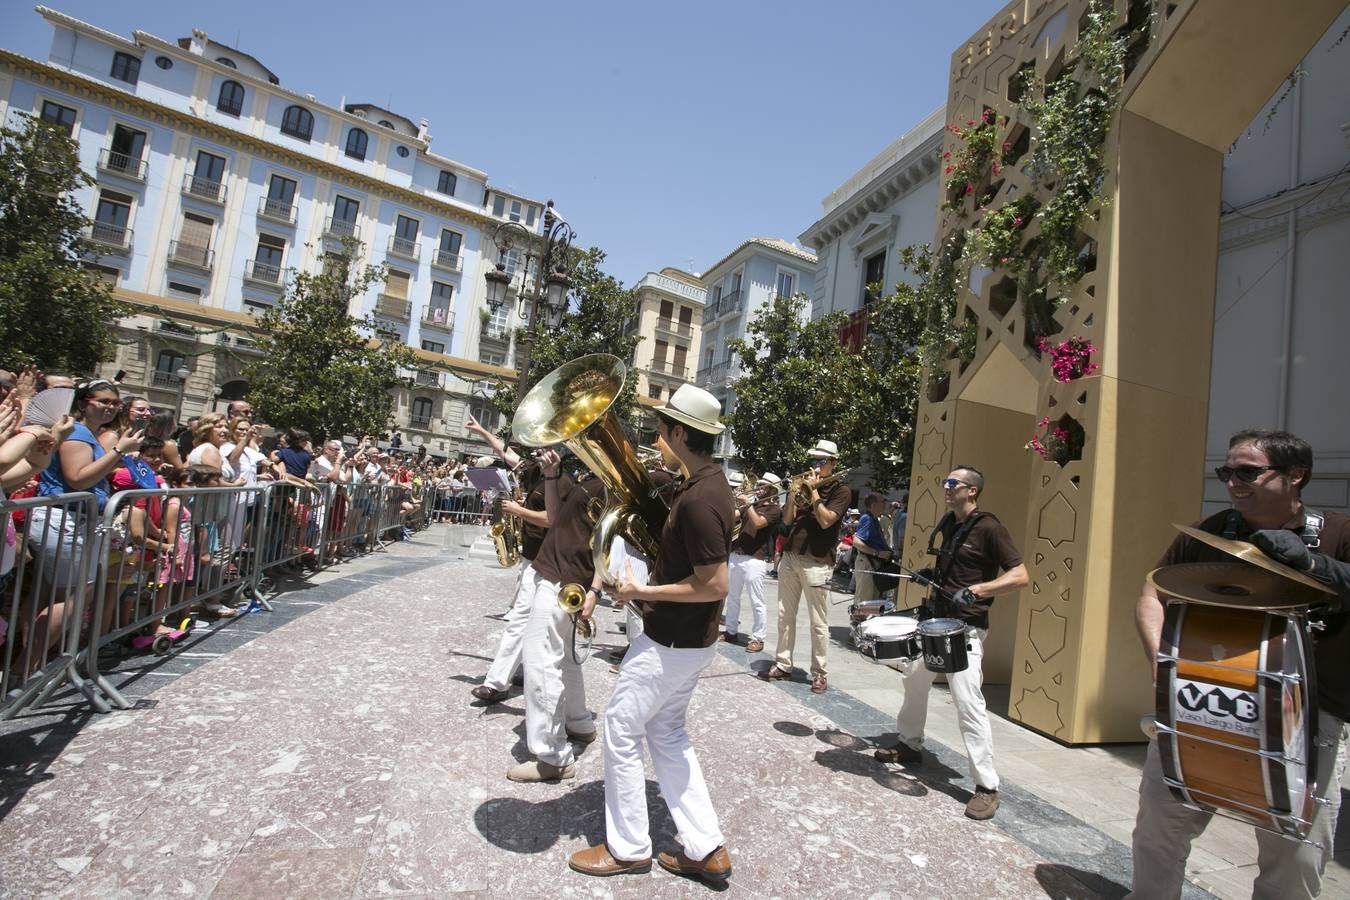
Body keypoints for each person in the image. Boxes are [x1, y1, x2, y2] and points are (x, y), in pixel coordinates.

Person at [1128, 430, 1350, 899]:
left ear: (1296, 476)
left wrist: (1313, 566)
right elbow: (1152, 594)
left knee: (1296, 854)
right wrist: (1161, 664)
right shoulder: (1209, 533)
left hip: (1303, 717)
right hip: (1202, 700)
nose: (1233, 482)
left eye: (1247, 471)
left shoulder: (1337, 533)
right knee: (1159, 826)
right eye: (1226, 472)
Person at [568, 383, 734, 885]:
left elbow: (714, 585)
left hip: (671, 640)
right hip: (685, 641)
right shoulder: (702, 484)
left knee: (620, 730)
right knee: (667, 733)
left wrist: (646, 591)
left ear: (680, 433)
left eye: (662, 431)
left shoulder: (702, 497)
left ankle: (628, 848)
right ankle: (706, 848)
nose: (657, 439)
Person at [874, 465, 1028, 821]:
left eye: (952, 483)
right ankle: (909, 744)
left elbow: (1020, 576)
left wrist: (980, 590)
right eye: (946, 482)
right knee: (913, 678)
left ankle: (987, 787)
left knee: (967, 701)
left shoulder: (989, 527)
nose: (946, 487)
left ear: (971, 490)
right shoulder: (952, 524)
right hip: (936, 623)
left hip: (965, 628)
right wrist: (932, 575)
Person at [506, 445, 602, 782]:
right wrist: (550, 475)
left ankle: (552, 755)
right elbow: (557, 518)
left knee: (540, 659)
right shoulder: (592, 479)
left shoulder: (610, 483)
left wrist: (595, 589)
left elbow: (611, 540)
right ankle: (579, 722)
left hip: (567, 578)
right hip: (559, 573)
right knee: (563, 659)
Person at [465, 414, 550, 704]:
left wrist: (518, 510)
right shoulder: (533, 470)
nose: (534, 451)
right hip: (532, 557)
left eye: (540, 446)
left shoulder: (556, 480)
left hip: (548, 560)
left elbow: (554, 519)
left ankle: (505, 680)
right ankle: (507, 677)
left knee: (528, 620)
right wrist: (481, 432)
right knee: (523, 619)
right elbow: (506, 452)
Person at [759, 439, 851, 694]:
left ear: (833, 463)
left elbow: (826, 521)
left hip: (817, 561)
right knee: (784, 615)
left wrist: (813, 493)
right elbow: (787, 520)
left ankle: (819, 673)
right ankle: (783, 662)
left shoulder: (841, 490)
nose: (817, 466)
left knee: (818, 622)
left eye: (822, 461)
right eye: (814, 461)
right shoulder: (805, 487)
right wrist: (792, 496)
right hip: (791, 556)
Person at [722, 471, 782, 652]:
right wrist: (731, 500)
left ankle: (758, 638)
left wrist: (747, 503)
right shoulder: (752, 503)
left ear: (772, 490)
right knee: (732, 597)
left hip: (755, 559)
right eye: (761, 485)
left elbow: (758, 523)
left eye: (765, 486)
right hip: (736, 554)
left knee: (757, 600)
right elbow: (732, 518)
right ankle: (731, 631)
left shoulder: (774, 510)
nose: (761, 488)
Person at [852, 493, 893, 603]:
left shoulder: (873, 519)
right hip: (867, 563)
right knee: (864, 600)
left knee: (871, 601)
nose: (885, 504)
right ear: (874, 504)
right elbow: (856, 541)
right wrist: (877, 553)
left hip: (871, 564)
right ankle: (857, 620)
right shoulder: (867, 519)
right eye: (883, 502)